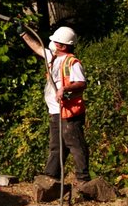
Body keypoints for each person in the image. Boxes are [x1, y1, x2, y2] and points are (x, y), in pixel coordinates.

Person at [21, 25, 89, 185]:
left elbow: (81, 84)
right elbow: (38, 47)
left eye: (55, 42)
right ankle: (51, 179)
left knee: (76, 145)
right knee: (56, 146)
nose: (52, 44)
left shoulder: (72, 63)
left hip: (69, 112)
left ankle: (84, 181)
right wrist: (23, 34)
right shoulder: (53, 58)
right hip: (55, 111)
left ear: (63, 46)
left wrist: (65, 89)